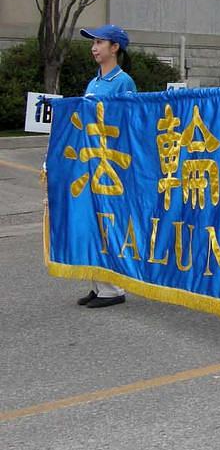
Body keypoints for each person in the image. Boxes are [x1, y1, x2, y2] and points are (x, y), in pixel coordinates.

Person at [76, 25, 137, 308]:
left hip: (112, 161)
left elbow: (130, 122)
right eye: (93, 42)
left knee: (109, 221)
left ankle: (113, 288)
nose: (94, 47)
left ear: (115, 48)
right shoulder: (94, 83)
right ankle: (98, 283)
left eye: (100, 42)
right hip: (93, 158)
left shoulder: (123, 82)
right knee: (93, 221)